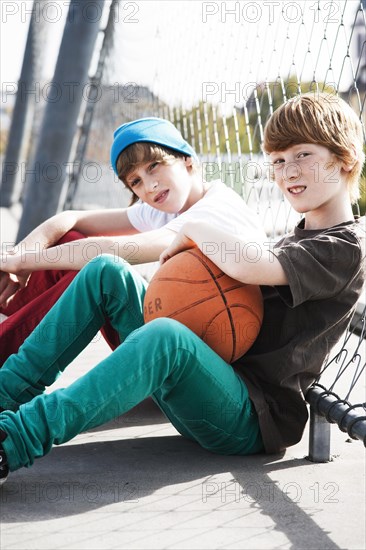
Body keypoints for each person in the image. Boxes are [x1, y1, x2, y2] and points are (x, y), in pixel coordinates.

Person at [0, 93, 365, 485]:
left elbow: (254, 265)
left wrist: (191, 229)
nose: (288, 170)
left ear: (344, 159)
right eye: (278, 160)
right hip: (212, 377)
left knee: (167, 337)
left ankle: (13, 441)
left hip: (251, 417)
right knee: (105, 271)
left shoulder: (345, 248)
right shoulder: (299, 237)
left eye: (302, 155)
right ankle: (6, 390)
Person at [0, 117, 265, 362]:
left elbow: (116, 250)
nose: (149, 186)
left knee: (103, 276)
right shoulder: (166, 204)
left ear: (186, 159)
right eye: (136, 181)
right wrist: (18, 261)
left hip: (205, 354)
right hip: (175, 326)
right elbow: (71, 218)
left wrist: (26, 260)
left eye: (154, 166)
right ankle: (8, 310)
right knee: (70, 240)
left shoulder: (215, 209)